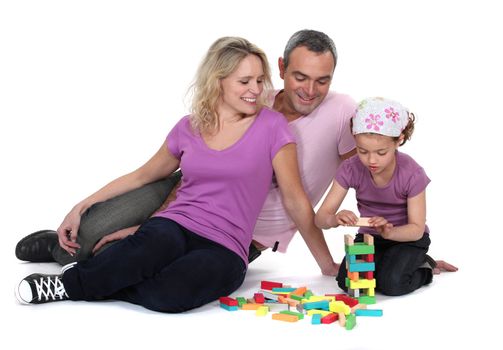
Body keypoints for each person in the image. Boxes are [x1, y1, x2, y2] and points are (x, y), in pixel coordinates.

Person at [15, 29, 455, 275]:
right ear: (281, 69)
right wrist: (112, 213)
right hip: (187, 192)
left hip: (245, 232)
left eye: (323, 80)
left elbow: (368, 171)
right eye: (300, 77)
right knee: (99, 231)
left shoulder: (343, 112)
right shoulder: (253, 100)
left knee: (136, 261)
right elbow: (160, 166)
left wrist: (406, 249)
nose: (311, 90)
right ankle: (67, 244)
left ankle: (74, 255)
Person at [15, 36, 318, 312]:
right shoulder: (189, 127)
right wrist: (79, 206)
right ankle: (67, 285)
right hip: (175, 224)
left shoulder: (273, 127)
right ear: (219, 81)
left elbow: (294, 199)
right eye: (245, 81)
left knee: (171, 295)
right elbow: (141, 175)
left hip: (228, 246)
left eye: (260, 80)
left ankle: (104, 279)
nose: (256, 90)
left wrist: (325, 261)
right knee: (148, 248)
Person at [315, 97, 458, 296]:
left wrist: (389, 233)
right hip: (370, 238)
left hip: (408, 239)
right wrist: (334, 218)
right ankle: (391, 265)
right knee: (348, 283)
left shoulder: (412, 173)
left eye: (381, 152)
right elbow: (320, 219)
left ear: (398, 140)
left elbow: (416, 230)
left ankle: (425, 268)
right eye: (362, 151)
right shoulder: (350, 168)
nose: (371, 160)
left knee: (392, 284)